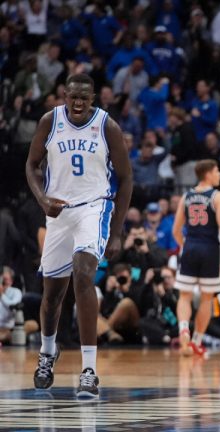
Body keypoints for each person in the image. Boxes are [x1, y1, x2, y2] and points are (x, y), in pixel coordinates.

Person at [25, 73, 133, 398]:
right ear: (64, 95)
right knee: (52, 296)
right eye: (73, 96)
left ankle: (89, 371)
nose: (78, 102)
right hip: (58, 212)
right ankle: (47, 353)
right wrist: (43, 200)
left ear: (93, 99)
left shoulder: (106, 126)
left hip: (93, 208)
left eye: (84, 98)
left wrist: (116, 233)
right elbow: (31, 166)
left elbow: (126, 179)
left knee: (84, 276)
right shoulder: (50, 121)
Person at [172, 160, 220, 356]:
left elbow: (176, 230)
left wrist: (185, 245)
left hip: (191, 246)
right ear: (208, 174)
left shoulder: (186, 196)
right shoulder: (218, 197)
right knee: (206, 298)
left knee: (184, 295)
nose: (219, 174)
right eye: (217, 171)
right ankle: (196, 340)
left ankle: (183, 328)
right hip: (211, 248)